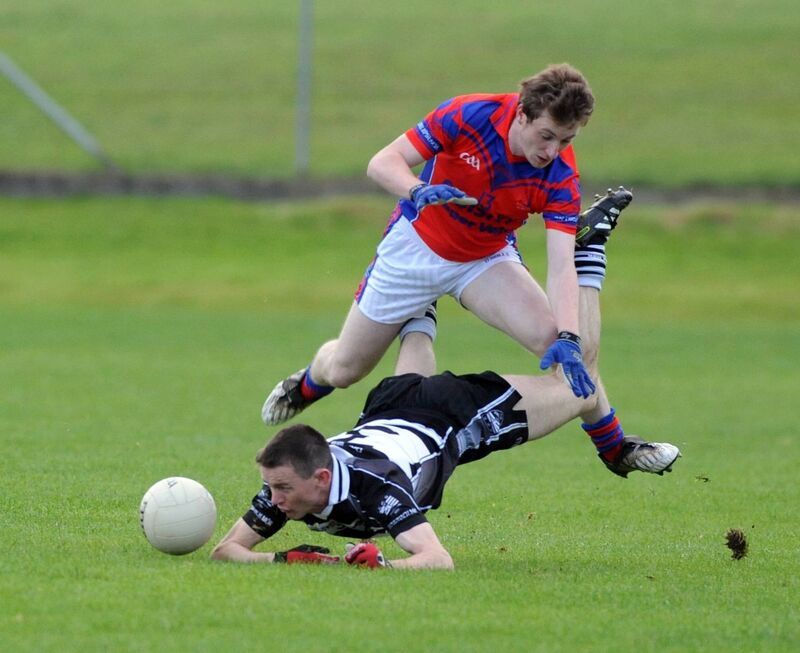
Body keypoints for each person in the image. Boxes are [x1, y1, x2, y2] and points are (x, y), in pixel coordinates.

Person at [262, 63, 637, 473]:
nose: (552, 151)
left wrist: (566, 334)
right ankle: (309, 382)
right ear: (522, 114)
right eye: (546, 136)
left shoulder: (560, 174)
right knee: (347, 369)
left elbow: (562, 263)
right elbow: (382, 163)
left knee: (569, 353)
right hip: (414, 249)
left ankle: (614, 444)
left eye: (566, 140)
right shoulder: (470, 115)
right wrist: (417, 189)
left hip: (485, 260)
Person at [212, 282, 681, 569]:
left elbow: (437, 560)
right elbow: (226, 552)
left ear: (322, 478)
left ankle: (587, 257)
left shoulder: (378, 489)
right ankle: (423, 282)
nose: (273, 501)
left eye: (281, 490)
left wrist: (383, 566)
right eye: (272, 490)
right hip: (386, 409)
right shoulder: (288, 483)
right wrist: (290, 559)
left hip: (452, 413)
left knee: (581, 385)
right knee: (415, 329)